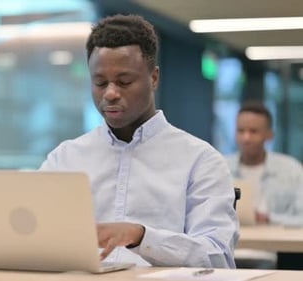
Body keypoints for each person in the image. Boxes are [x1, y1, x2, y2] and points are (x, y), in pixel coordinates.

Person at [39, 14, 239, 268]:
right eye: (100, 82)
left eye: (124, 82)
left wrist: (141, 236)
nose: (110, 93)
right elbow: (36, 236)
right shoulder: (65, 158)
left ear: (154, 78)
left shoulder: (200, 159)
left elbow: (217, 255)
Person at [225, 101, 303, 268]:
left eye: (253, 131)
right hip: (228, 251)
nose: (246, 138)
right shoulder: (220, 167)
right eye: (241, 131)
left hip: (273, 254)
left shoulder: (292, 170)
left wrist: (269, 218)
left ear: (269, 135)